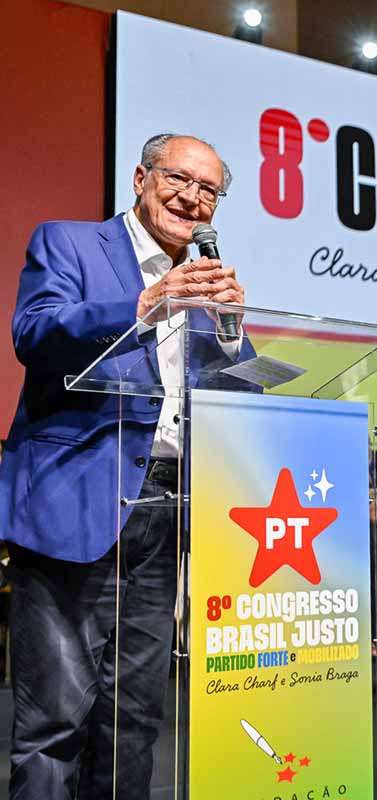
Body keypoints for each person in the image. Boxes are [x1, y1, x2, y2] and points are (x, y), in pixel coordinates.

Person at [0, 133, 252, 798]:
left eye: (208, 190)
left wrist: (232, 329)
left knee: (135, 719)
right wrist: (147, 303)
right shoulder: (69, 243)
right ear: (141, 178)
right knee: (55, 719)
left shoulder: (206, 284)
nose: (192, 199)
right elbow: (36, 333)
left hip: (166, 507)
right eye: (179, 179)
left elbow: (239, 394)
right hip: (76, 498)